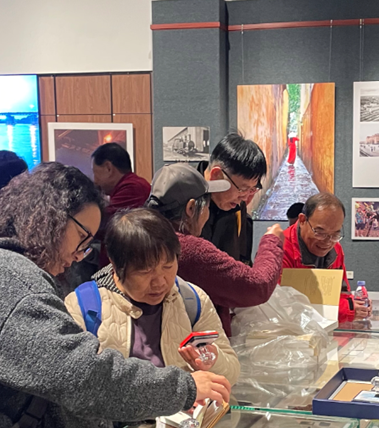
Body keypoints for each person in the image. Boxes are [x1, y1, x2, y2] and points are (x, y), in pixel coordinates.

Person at [0, 163, 231, 428]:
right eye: (81, 238)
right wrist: (184, 387)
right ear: (49, 218)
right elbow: (83, 375)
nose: (80, 255)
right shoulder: (7, 280)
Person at [65, 208, 240, 385]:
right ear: (116, 265)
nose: (160, 282)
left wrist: (214, 361)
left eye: (168, 266)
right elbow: (72, 384)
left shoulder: (192, 300)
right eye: (145, 271)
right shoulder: (83, 307)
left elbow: (232, 372)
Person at [147, 163, 283, 335]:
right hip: (191, 346)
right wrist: (272, 242)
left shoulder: (141, 236)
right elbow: (258, 286)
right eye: (207, 205)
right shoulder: (187, 249)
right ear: (191, 208)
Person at [282, 192, 367, 323]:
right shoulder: (279, 248)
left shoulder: (335, 249)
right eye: (320, 232)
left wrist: (356, 305)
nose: (328, 242)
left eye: (335, 234)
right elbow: (282, 305)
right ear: (302, 220)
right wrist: (346, 310)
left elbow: (342, 292)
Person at [201, 133, 267, 264]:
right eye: (242, 188)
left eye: (252, 189)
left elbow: (242, 262)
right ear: (216, 175)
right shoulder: (183, 201)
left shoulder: (237, 207)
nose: (245, 197)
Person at [90, 142, 151, 266]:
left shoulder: (133, 187)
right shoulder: (133, 185)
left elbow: (103, 225)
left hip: (125, 266)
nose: (95, 181)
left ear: (108, 168)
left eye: (95, 173)